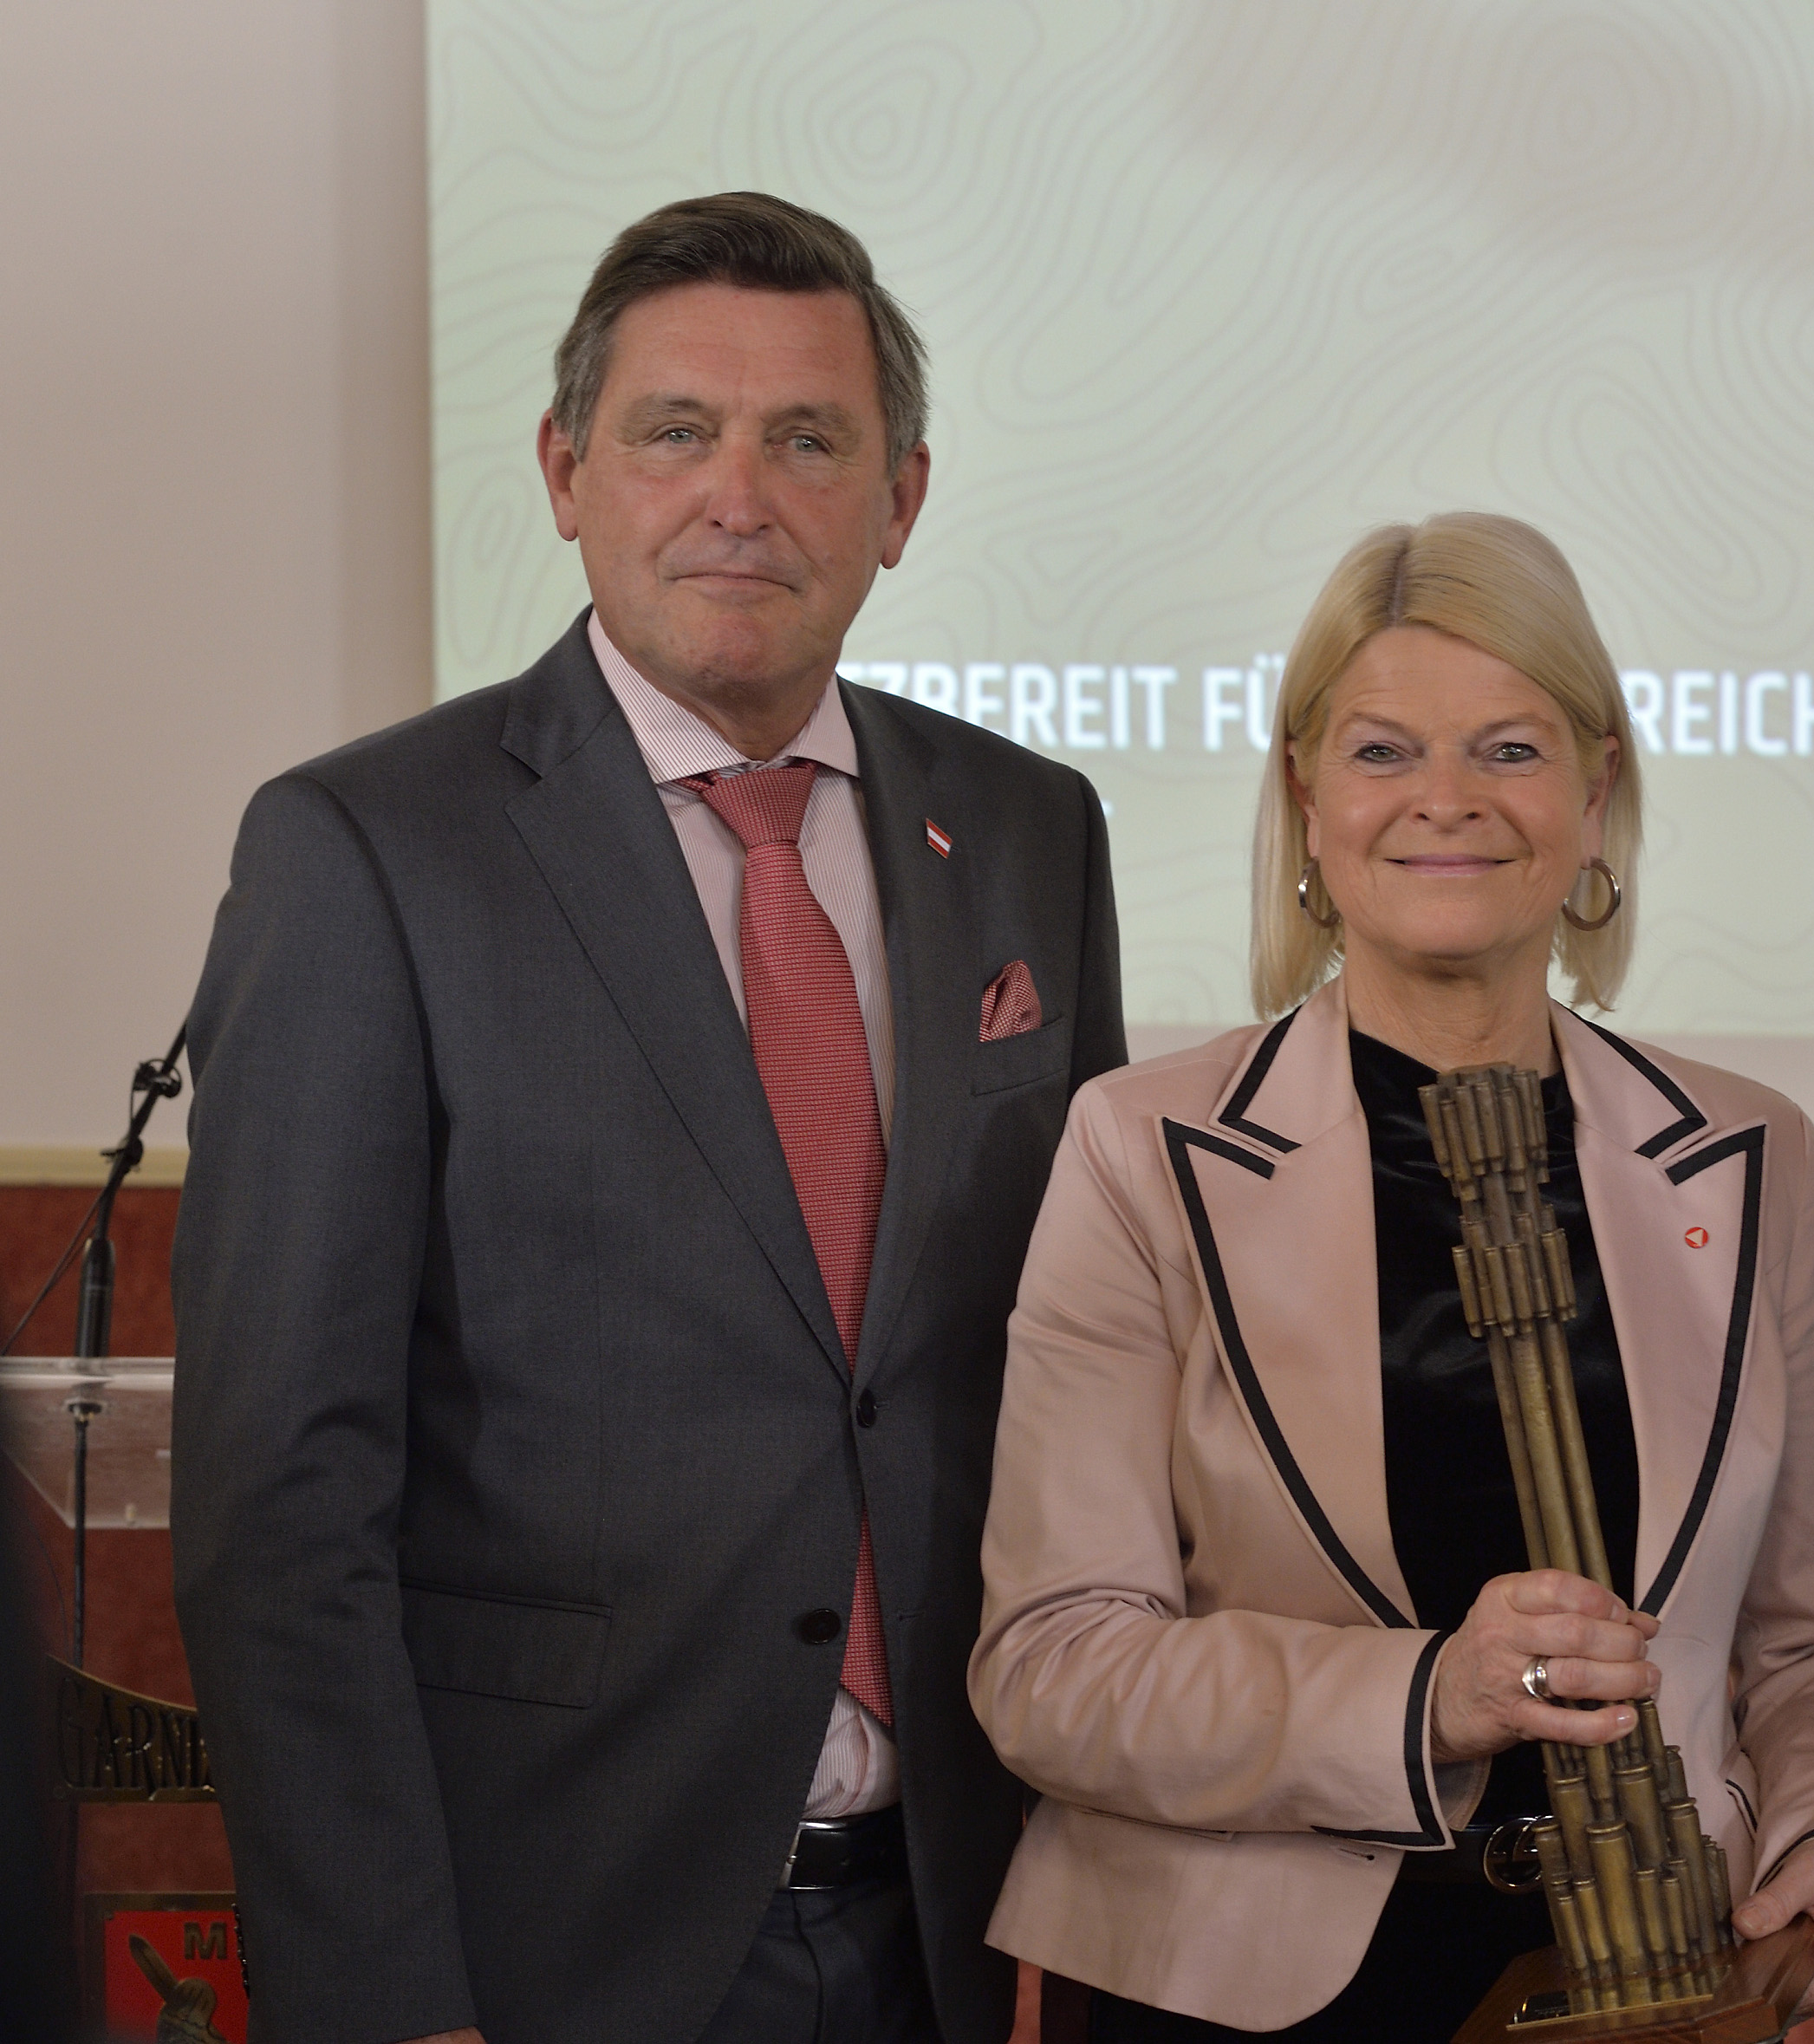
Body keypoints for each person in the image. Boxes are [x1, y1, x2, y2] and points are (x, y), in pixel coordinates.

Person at [172, 192, 1122, 2044]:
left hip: (956, 1932)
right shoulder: (366, 850)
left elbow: (1076, 1387)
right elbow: (280, 1502)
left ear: (901, 499)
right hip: (547, 1943)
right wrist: (384, 1997)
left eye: (809, 440)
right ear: (565, 472)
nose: (738, 496)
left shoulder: (1027, 828)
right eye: (677, 431)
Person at [966, 512, 1814, 2040]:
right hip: (1240, 1998)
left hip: (1664, 1990)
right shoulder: (1140, 1150)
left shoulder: (1754, 1156)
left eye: (1511, 750)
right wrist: (1429, 1697)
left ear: (1595, 791)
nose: (1448, 800)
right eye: (1384, 751)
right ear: (1307, 793)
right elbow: (1052, 1666)